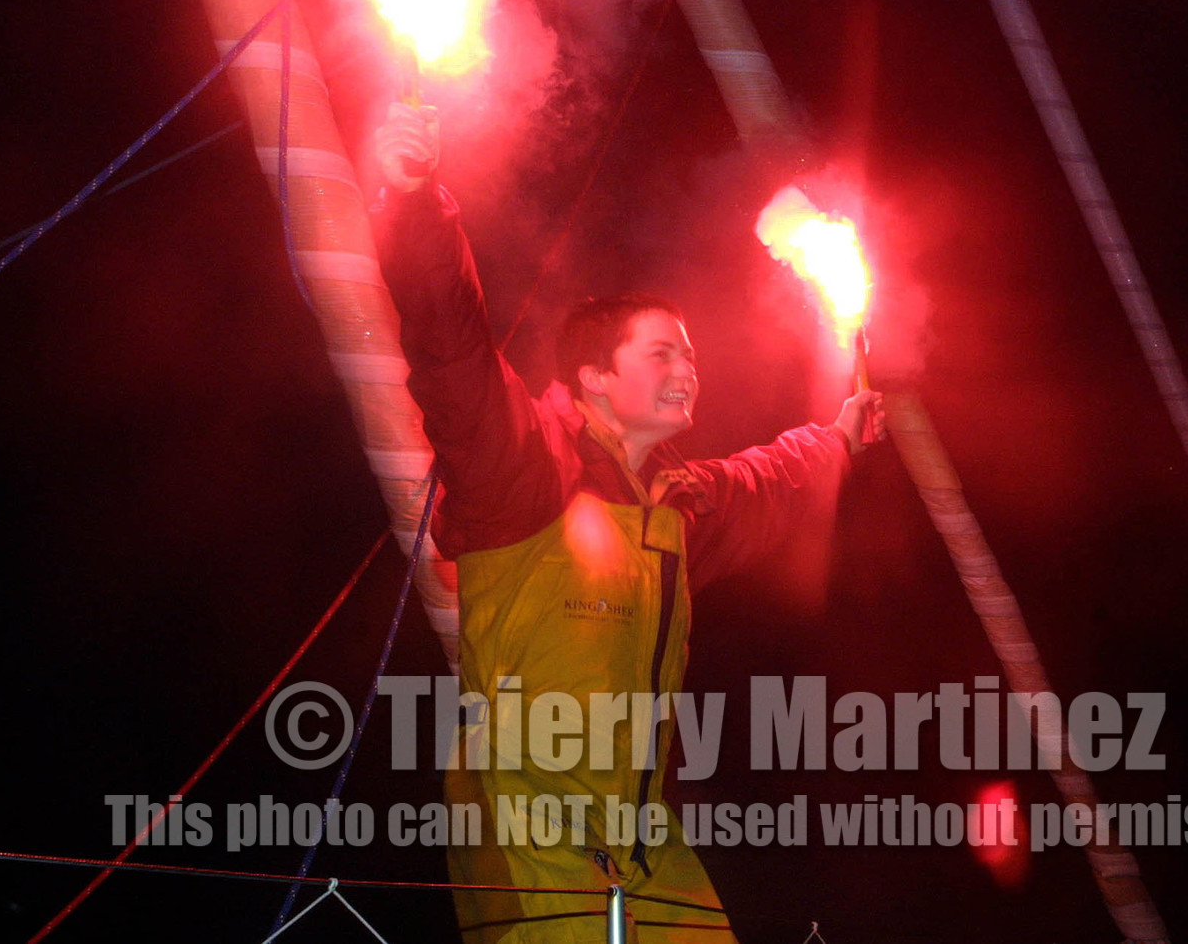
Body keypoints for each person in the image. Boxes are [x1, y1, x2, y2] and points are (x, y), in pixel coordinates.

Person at [370, 103, 883, 943]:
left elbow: (768, 483)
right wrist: (417, 203)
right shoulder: (525, 466)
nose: (689, 367)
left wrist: (840, 439)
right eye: (662, 352)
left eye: (689, 352)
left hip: (640, 831)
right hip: (525, 817)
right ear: (595, 379)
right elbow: (452, 349)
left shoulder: (678, 506)